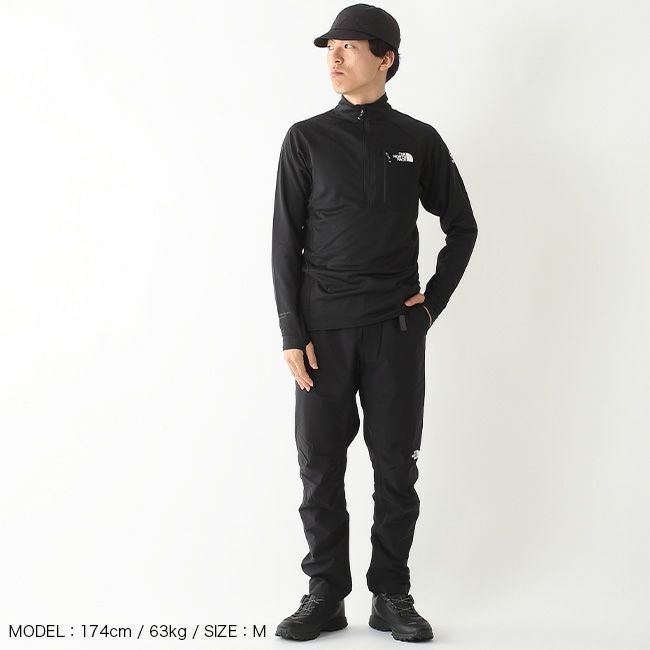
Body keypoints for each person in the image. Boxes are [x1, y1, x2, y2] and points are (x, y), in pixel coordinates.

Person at [271, 3, 478, 642]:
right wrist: (292, 333)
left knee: (395, 468)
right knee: (319, 467)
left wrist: (431, 303)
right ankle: (325, 595)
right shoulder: (305, 139)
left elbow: (462, 227)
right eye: (329, 48)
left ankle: (391, 595)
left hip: (395, 331)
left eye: (350, 47)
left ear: (385, 58)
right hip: (322, 335)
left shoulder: (418, 140)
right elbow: (284, 243)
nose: (335, 58)